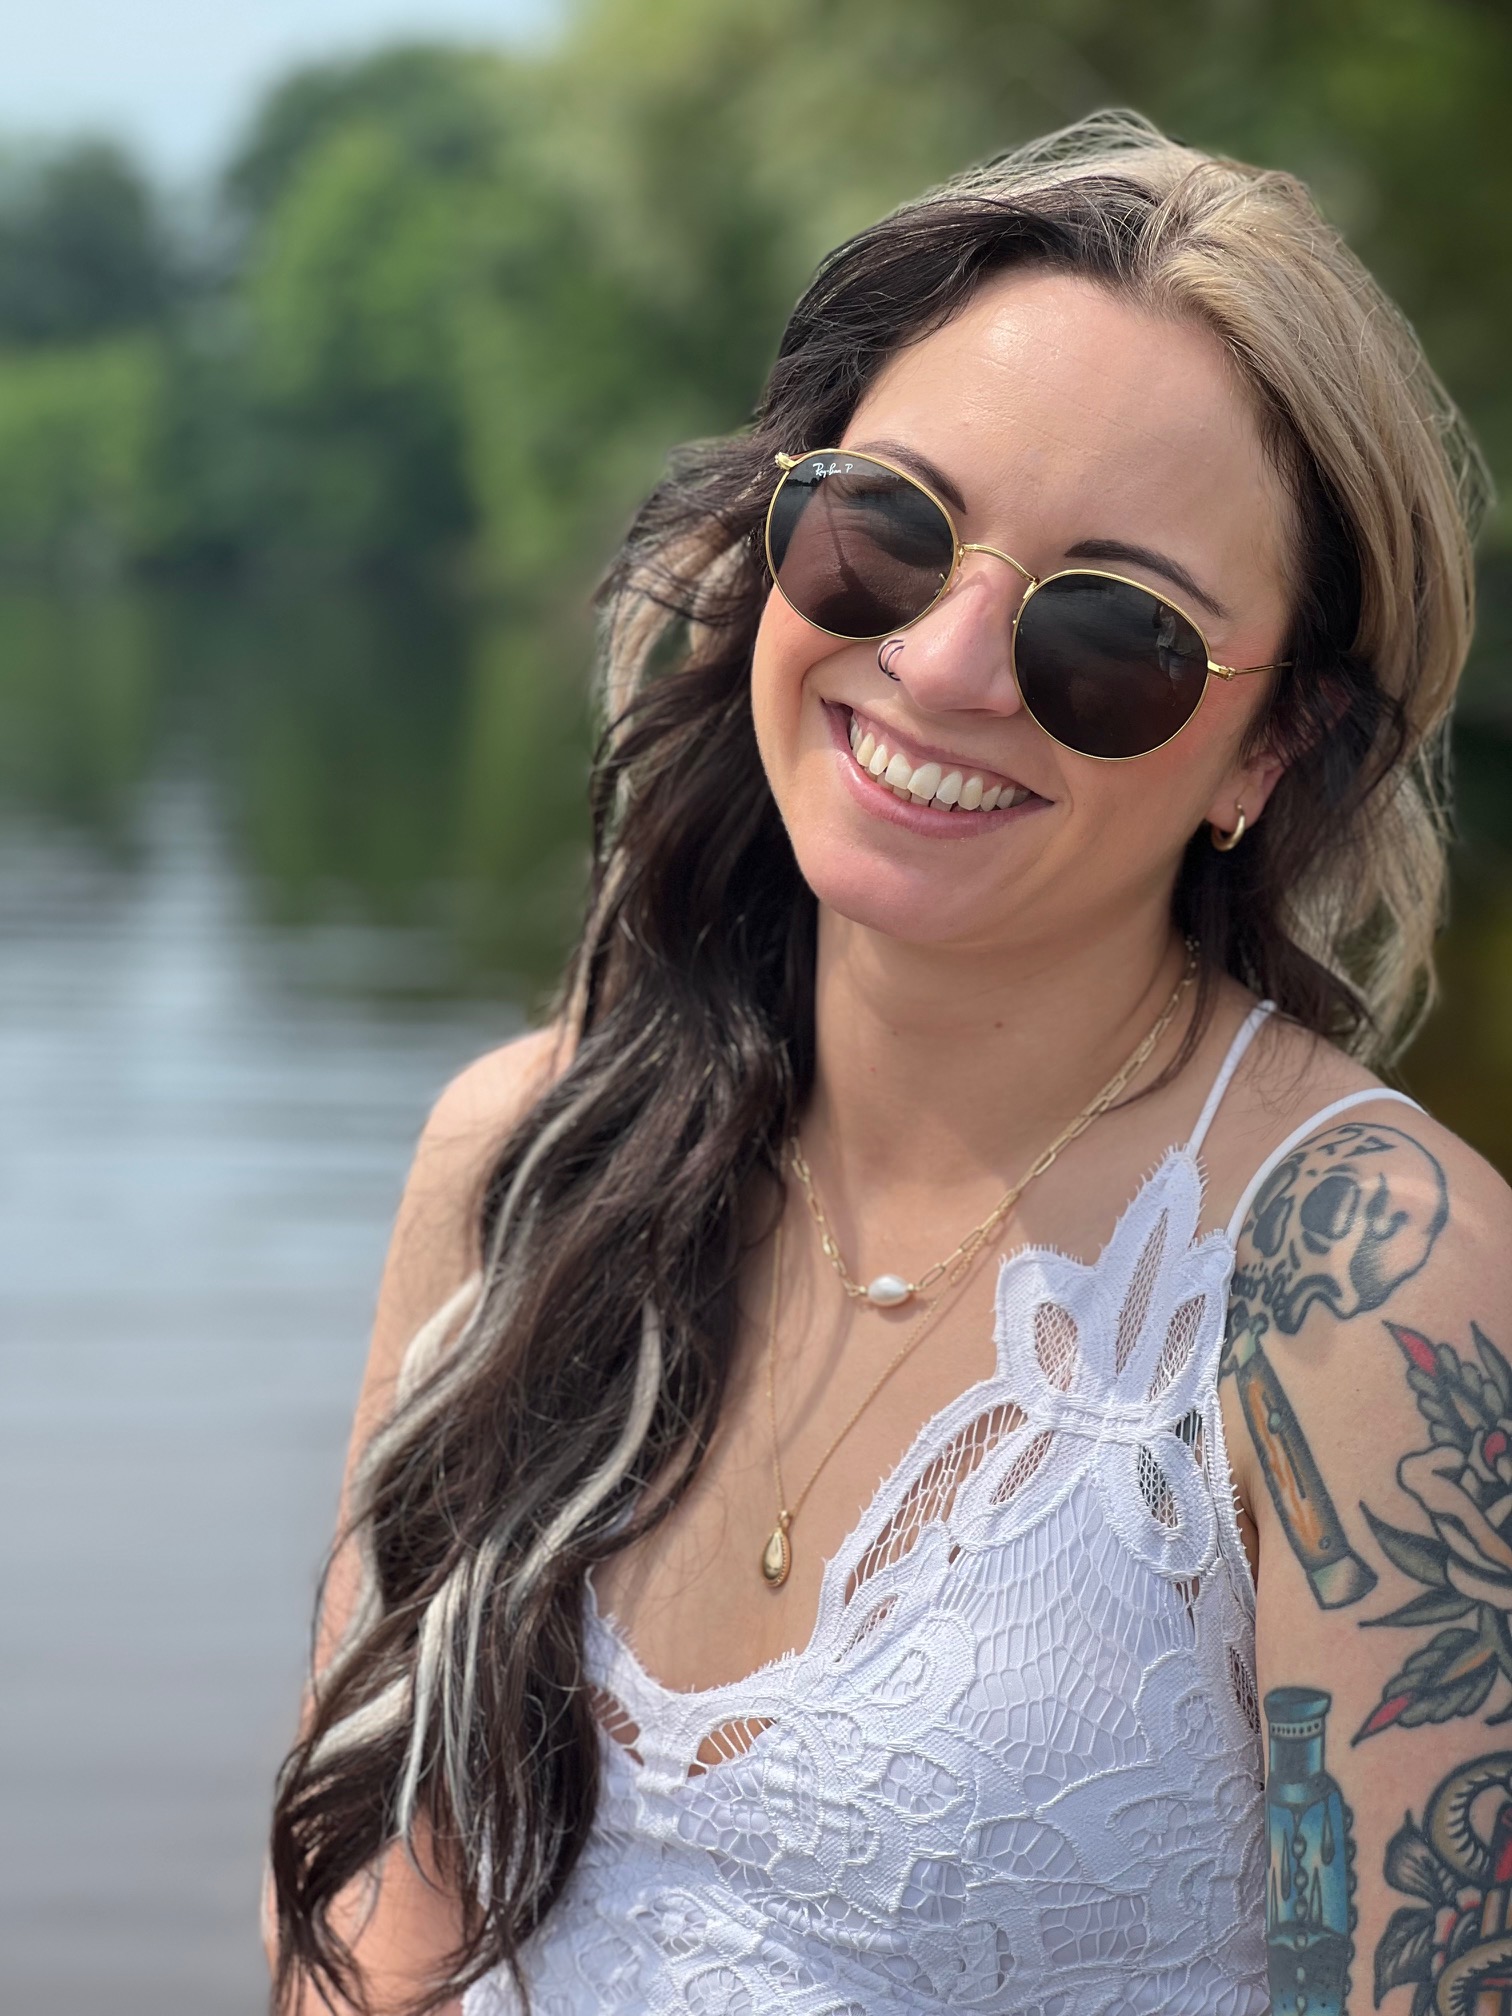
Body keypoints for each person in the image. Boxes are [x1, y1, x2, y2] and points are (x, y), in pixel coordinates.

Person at [267, 111, 1511, 2016]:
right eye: (885, 531)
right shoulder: (522, 1157)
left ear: (1276, 755)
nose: (943, 665)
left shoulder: (1365, 1287)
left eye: (1113, 635)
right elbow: (360, 1933)